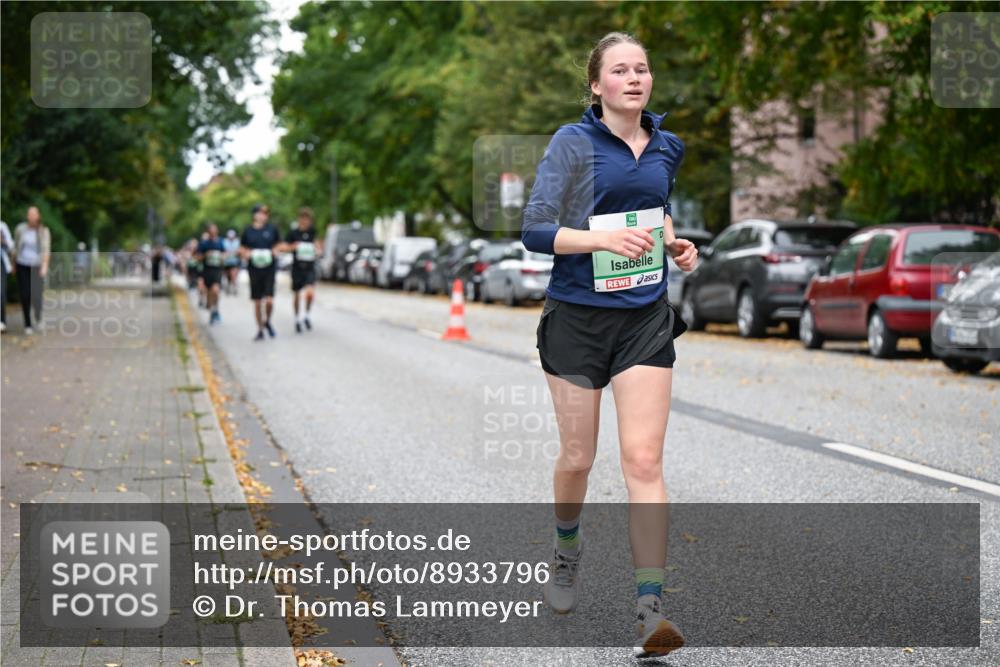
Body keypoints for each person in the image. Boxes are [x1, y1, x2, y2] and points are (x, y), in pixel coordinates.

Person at [521, 33, 698, 659]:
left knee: (644, 462)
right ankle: (566, 551)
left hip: (644, 318)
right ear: (596, 85)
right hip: (576, 318)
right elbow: (535, 230)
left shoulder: (667, 145)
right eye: (619, 70)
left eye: (642, 69)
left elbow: (656, 209)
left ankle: (651, 608)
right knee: (577, 455)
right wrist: (599, 244)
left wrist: (677, 245)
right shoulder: (573, 143)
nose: (634, 78)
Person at [240, 204, 280, 340]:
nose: (263, 216)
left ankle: (267, 321)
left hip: (269, 268)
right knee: (257, 302)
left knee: (269, 300)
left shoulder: (272, 229)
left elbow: (279, 245)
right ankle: (260, 329)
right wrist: (246, 253)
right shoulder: (248, 231)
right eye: (261, 213)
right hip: (254, 269)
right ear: (255, 215)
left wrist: (276, 250)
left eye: (265, 213)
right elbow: (242, 248)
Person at [14, 206, 51, 335]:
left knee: (37, 295)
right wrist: (13, 265)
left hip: (37, 265)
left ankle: (38, 316)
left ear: (38, 216)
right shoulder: (20, 229)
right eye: (29, 214)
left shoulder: (43, 231)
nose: (31, 216)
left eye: (34, 214)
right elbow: (15, 247)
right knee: (25, 295)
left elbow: (46, 249)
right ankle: (27, 324)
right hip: (22, 264)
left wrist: (45, 265)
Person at [284, 207, 322, 333]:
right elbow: (284, 247)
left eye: (308, 219)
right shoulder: (293, 233)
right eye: (303, 218)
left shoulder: (313, 232)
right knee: (297, 294)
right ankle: (297, 318)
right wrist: (292, 247)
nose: (305, 221)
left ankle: (306, 315)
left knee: (310, 293)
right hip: (297, 268)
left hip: (309, 267)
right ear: (299, 219)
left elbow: (318, 246)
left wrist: (318, 249)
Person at [196, 223, 226, 324]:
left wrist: (222, 257)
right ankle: (212, 309)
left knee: (216, 290)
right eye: (211, 230)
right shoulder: (203, 243)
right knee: (208, 293)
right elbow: (198, 257)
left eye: (215, 230)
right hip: (206, 270)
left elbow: (225, 253)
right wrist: (205, 255)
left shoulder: (220, 242)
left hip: (217, 270)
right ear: (208, 232)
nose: (213, 232)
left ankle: (215, 309)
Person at [0, 220, 12, 333]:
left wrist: (2, 241)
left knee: (1, 293)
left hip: (1, 263)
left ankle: (2, 321)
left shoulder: (2, 226)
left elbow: (10, 246)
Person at [222, 229, 241, 295]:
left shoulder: (237, 242)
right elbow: (223, 251)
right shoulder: (224, 242)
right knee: (228, 276)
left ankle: (235, 287)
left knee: (233, 275)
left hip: (235, 262)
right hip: (226, 262)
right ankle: (229, 285)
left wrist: (237, 253)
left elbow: (239, 251)